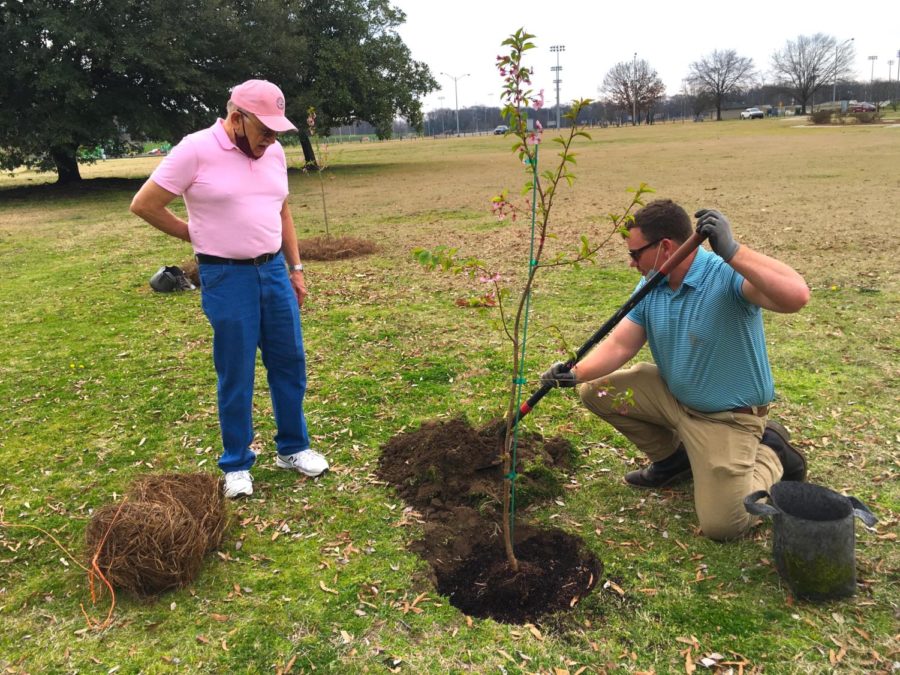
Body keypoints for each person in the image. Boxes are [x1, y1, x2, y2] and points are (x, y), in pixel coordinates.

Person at [541, 199, 810, 541]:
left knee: (724, 525)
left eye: (635, 254)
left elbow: (796, 297)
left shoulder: (725, 276)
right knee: (597, 390)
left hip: (726, 418)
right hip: (674, 398)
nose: (631, 263)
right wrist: (575, 372)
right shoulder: (652, 284)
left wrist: (734, 251)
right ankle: (674, 462)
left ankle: (772, 452)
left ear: (665, 247)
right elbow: (621, 345)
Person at [130, 79, 328, 499]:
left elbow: (283, 210)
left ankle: (293, 448)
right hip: (226, 276)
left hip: (273, 271)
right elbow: (145, 204)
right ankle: (236, 463)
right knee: (236, 371)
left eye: (277, 131)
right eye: (264, 130)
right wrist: (199, 235)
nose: (271, 140)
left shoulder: (272, 152)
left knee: (289, 362)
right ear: (237, 118)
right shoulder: (195, 149)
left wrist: (295, 268)